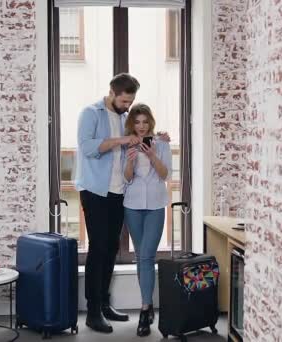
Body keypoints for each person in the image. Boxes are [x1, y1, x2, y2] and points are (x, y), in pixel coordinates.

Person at [75, 73, 168, 334]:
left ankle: (104, 305)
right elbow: (87, 148)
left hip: (119, 193)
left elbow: (141, 136)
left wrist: (158, 137)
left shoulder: (124, 118)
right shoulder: (91, 113)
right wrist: (121, 140)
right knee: (98, 248)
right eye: (125, 101)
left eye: (131, 101)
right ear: (113, 93)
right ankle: (93, 313)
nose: (128, 106)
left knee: (110, 249)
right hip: (96, 191)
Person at [122, 103, 172, 337]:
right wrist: (131, 160)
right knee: (141, 256)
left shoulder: (161, 144)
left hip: (154, 204)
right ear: (132, 124)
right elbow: (127, 178)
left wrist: (152, 155)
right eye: (137, 122)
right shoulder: (127, 144)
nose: (141, 127)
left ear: (150, 122)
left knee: (146, 255)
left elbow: (165, 175)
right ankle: (149, 305)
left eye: (145, 122)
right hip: (132, 205)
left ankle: (143, 312)